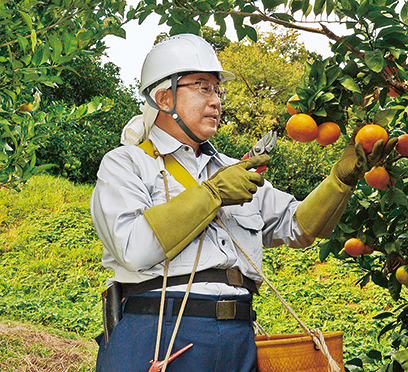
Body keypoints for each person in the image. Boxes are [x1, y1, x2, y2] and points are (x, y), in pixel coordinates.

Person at [90, 33, 369, 372]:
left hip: (238, 335)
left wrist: (341, 181)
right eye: (202, 87)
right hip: (159, 329)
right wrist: (213, 194)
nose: (216, 101)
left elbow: (299, 227)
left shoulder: (230, 169)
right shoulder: (127, 163)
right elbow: (133, 248)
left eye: (218, 90)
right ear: (163, 97)